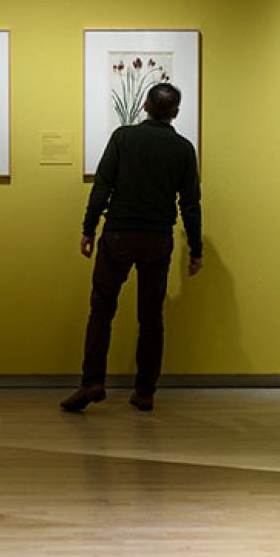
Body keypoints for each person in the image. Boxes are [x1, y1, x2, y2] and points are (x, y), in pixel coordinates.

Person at [61, 82, 202, 413]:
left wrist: (88, 228)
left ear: (145, 107)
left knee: (101, 310)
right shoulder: (183, 148)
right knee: (151, 317)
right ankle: (144, 392)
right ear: (175, 113)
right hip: (157, 239)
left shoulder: (123, 137)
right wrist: (196, 249)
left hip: (118, 235)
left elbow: (103, 186)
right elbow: (190, 203)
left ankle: (92, 381)